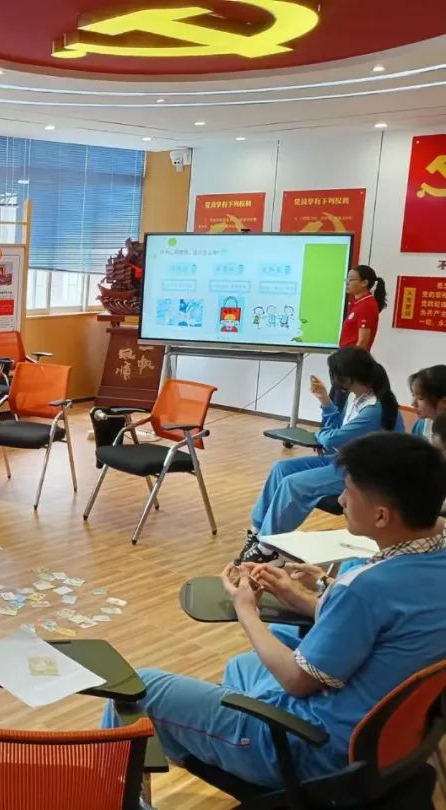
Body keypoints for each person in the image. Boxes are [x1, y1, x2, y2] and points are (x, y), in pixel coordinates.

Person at [103, 432, 446, 789]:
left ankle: (118, 793)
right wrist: (302, 594)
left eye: (348, 491)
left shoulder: (363, 588)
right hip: (381, 740)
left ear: (381, 515)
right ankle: (212, 737)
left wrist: (246, 610)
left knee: (137, 690)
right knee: (243, 666)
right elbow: (376, 627)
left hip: (314, 750)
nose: (341, 499)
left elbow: (297, 681)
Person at [239, 346, 402, 564]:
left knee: (293, 484)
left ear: (346, 377)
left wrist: (322, 436)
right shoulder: (359, 398)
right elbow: (335, 431)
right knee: (281, 468)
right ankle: (257, 532)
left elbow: (333, 439)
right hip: (348, 460)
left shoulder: (374, 409)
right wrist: (325, 401)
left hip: (366, 472)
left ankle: (268, 549)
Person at [330, 265, 388, 408]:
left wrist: (348, 366)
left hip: (350, 365)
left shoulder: (367, 305)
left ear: (364, 282)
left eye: (351, 279)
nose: (347, 283)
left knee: (338, 406)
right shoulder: (357, 303)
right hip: (343, 362)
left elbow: (362, 341)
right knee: (333, 402)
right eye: (347, 279)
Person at [408, 364, 446, 440]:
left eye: (420, 398)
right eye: (413, 395)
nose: (413, 403)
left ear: (444, 402)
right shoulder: (421, 425)